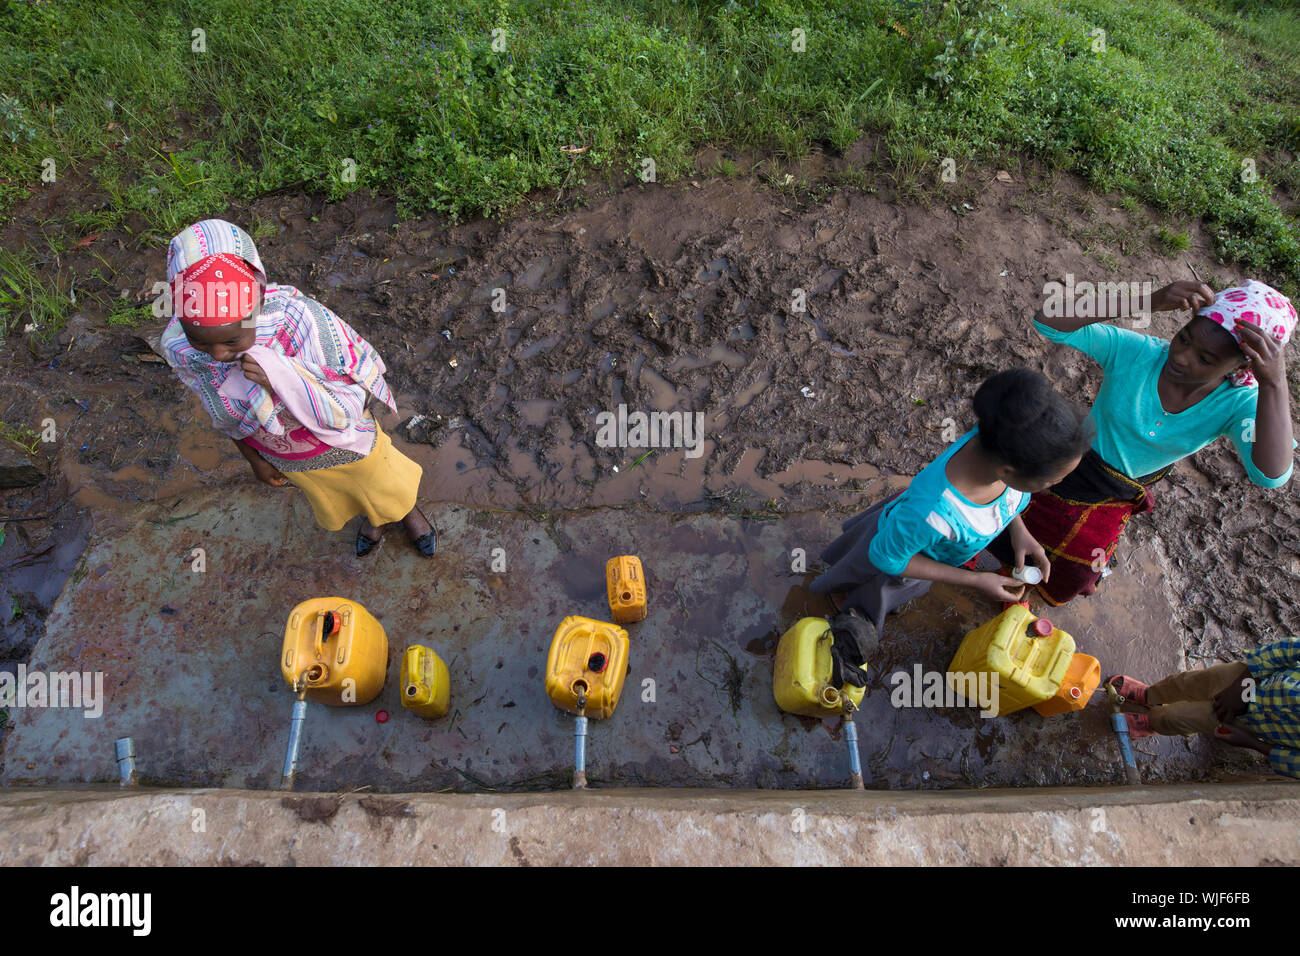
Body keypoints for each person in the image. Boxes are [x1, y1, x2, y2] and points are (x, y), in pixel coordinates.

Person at [989, 279, 1296, 605]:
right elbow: (1047, 321)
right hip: (1071, 458)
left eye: (1205, 359)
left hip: (1116, 491)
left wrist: (1275, 384)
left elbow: (1271, 474)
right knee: (1000, 514)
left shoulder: (1237, 403)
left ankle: (1038, 586)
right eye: (1184, 338)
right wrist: (1147, 300)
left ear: (1242, 366)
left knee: (1078, 570)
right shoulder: (1139, 355)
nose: (1181, 357)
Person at [160, 219, 435, 557]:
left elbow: (352, 393)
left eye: (232, 340)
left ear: (257, 303)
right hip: (292, 458)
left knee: (383, 482)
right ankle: (373, 518)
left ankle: (407, 513)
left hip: (346, 443)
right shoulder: (180, 347)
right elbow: (220, 410)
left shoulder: (296, 319)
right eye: (199, 340)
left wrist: (281, 374)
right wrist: (253, 459)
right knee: (339, 493)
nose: (217, 355)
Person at [810, 368, 1091, 637]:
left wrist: (1020, 533)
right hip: (905, 553)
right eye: (1051, 481)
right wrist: (975, 580)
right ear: (1008, 472)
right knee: (870, 588)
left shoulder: (992, 442)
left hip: (930, 544)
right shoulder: (932, 514)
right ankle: (844, 601)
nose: (1056, 485)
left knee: (901, 584)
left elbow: (1005, 499)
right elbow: (887, 558)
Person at [1107, 636, 1300, 779]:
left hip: (1245, 722)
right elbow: (1290, 648)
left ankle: (1154, 722)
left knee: (1173, 718)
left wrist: (1251, 743)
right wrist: (1245, 680)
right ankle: (1151, 695)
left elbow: (1295, 763)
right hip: (1246, 680)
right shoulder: (1244, 680)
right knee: (1187, 683)